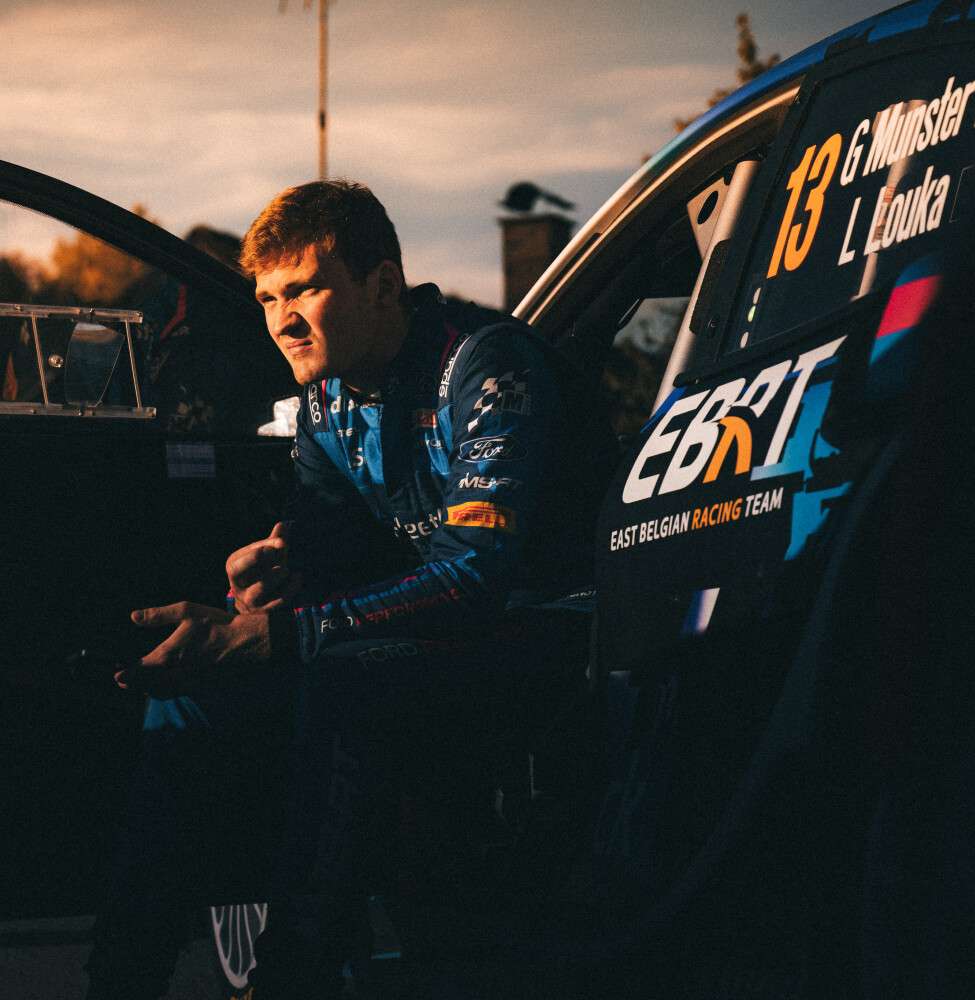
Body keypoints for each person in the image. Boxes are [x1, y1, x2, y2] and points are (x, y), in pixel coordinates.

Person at [85, 180, 615, 999]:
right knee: (190, 692)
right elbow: (331, 553)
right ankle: (119, 980)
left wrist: (288, 632)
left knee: (344, 674)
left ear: (382, 285)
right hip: (440, 630)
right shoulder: (325, 402)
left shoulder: (486, 362)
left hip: (557, 626)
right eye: (268, 299)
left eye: (304, 290)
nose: (282, 320)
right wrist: (275, 577)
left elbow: (475, 574)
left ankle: (294, 974)